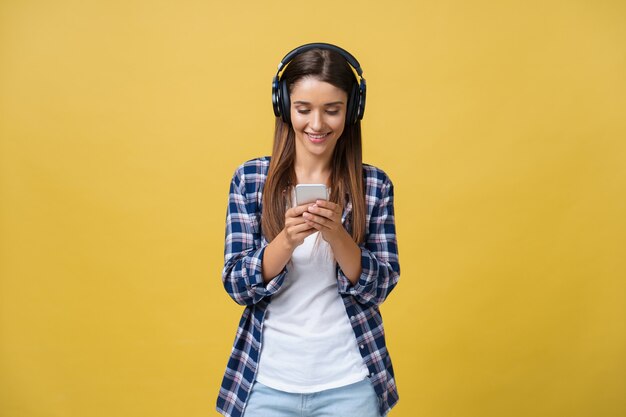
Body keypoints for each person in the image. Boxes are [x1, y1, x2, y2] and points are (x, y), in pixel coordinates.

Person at [216, 43, 400, 417]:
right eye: (304, 110)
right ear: (284, 107)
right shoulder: (250, 180)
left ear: (352, 111)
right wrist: (286, 241)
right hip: (266, 381)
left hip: (349, 382)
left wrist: (338, 235)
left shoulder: (374, 186)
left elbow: (381, 286)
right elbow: (236, 284)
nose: (317, 125)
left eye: (332, 110)